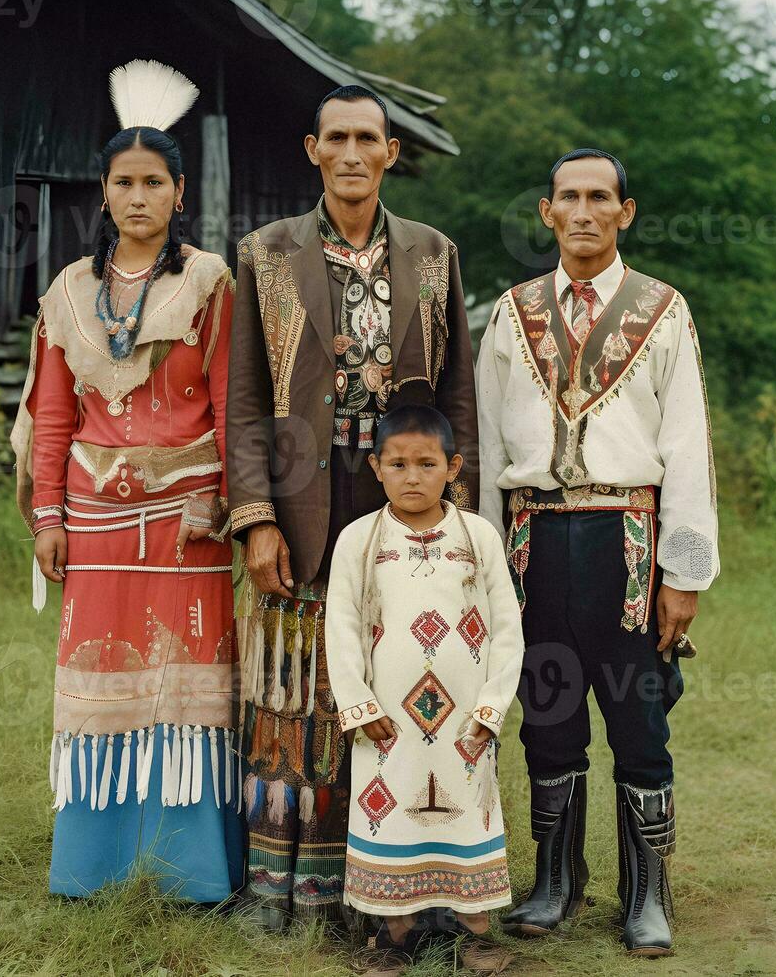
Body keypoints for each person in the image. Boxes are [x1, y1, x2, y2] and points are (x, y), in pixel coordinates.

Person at [226, 85, 479, 929]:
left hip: (402, 496)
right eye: (336, 138)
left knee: (401, 678)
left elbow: (457, 396)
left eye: (367, 138)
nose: (352, 154)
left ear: (390, 151)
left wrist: (459, 518)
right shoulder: (264, 253)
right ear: (312, 150)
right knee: (294, 684)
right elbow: (246, 397)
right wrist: (255, 513)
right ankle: (279, 888)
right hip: (302, 494)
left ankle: (393, 887)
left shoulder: (435, 254)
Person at [10, 60, 243, 901]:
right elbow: (52, 419)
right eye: (123, 181)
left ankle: (193, 874)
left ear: (179, 193)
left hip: (188, 521)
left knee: (188, 687)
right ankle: (91, 867)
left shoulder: (212, 284)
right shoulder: (69, 295)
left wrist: (223, 500)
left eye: (154, 181)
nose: (137, 195)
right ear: (103, 193)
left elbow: (227, 405)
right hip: (96, 521)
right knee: (102, 687)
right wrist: (46, 517)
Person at [476, 148, 719, 956]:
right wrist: (481, 566)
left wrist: (681, 575)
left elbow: (687, 447)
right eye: (567, 197)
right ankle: (555, 881)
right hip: (530, 541)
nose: (583, 211)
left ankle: (648, 895)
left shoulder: (663, 309)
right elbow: (482, 444)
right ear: (546, 213)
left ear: (625, 210)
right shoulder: (512, 313)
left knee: (638, 719)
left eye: (599, 197)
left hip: (627, 542)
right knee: (546, 718)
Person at [325, 406, 521, 976]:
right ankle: (395, 935)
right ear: (376, 468)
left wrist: (489, 708)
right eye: (398, 464)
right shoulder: (359, 540)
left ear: (453, 467)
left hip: (465, 723)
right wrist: (358, 706)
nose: (412, 476)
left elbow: (508, 628)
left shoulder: (477, 536)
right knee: (390, 814)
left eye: (427, 464)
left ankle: (477, 934)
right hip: (387, 724)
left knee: (469, 813)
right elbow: (340, 627)